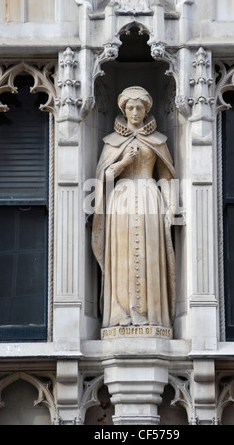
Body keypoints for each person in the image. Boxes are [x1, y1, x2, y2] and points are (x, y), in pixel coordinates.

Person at [92, 86, 176, 328]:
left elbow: (166, 176)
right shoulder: (112, 141)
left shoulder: (158, 141)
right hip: (121, 201)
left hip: (151, 197)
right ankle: (121, 314)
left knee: (149, 256)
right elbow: (104, 175)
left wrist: (171, 207)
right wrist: (124, 162)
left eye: (140, 107)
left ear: (147, 110)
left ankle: (150, 316)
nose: (135, 112)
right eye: (130, 107)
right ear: (124, 110)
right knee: (122, 256)